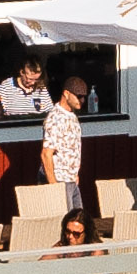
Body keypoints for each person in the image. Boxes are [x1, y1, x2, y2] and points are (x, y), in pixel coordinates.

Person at [40, 76, 88, 220]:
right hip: (59, 180)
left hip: (71, 179)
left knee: (79, 221)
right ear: (66, 94)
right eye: (78, 96)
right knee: (66, 224)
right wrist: (53, 185)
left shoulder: (72, 116)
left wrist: (75, 173)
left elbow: (70, 147)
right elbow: (46, 154)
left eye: (84, 97)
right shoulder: (55, 118)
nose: (82, 100)